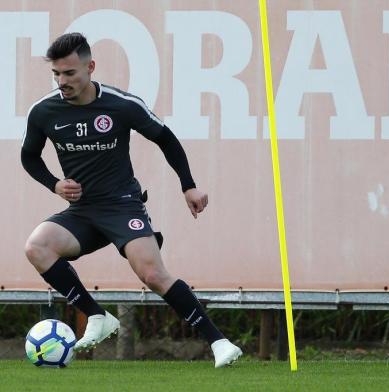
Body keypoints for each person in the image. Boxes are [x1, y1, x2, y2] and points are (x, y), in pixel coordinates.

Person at [21, 32, 242, 367]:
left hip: (122, 204)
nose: (62, 81)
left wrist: (189, 186)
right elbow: (29, 157)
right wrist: (54, 184)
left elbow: (166, 139)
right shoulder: (44, 111)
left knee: (152, 274)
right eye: (56, 74)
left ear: (90, 67)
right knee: (36, 246)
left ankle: (220, 343)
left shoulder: (121, 104)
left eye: (70, 73)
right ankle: (98, 316)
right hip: (82, 211)